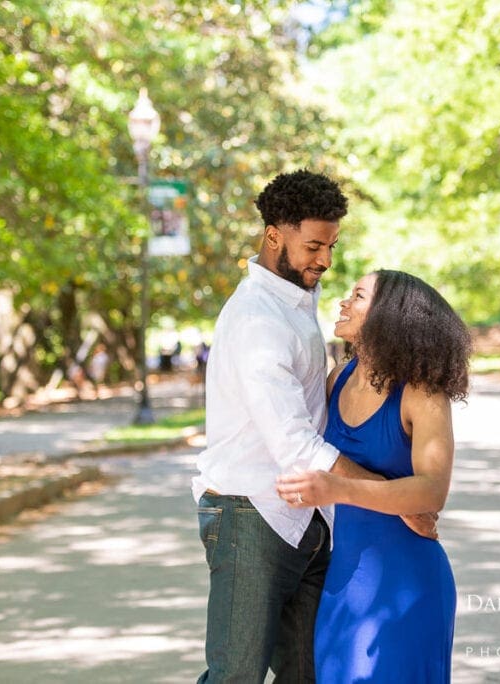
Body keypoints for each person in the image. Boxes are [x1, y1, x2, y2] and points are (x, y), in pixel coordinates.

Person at [192, 170, 435, 683]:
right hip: (249, 514)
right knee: (235, 676)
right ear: (274, 235)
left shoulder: (296, 299)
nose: (325, 259)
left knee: (311, 673)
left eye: (331, 245)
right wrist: (397, 496)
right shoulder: (258, 320)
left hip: (305, 519)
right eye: (313, 246)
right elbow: (296, 445)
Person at [276, 269, 471, 682]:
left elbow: (432, 491)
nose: (344, 303)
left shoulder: (422, 392)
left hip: (406, 585)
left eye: (359, 296)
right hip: (342, 588)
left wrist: (338, 488)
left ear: (389, 316)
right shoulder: (337, 379)